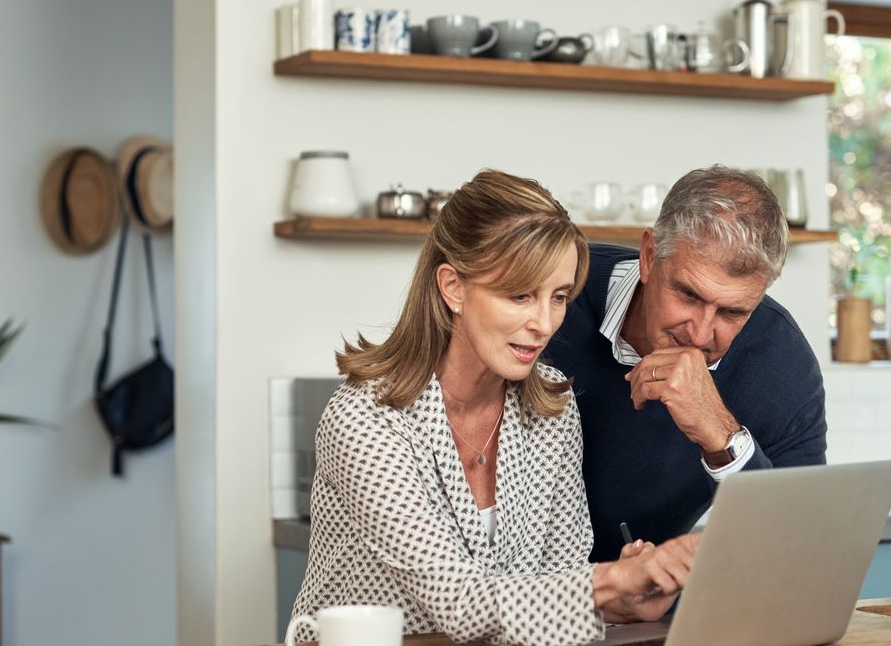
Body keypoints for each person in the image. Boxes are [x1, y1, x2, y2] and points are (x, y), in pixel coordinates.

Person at [291, 170, 702, 646]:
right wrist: (613, 581)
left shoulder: (552, 410)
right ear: (453, 287)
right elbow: (459, 603)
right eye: (520, 294)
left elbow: (556, 580)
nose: (545, 323)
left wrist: (619, 604)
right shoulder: (365, 420)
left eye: (559, 297)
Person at [545, 165, 828, 563]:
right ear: (648, 256)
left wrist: (721, 436)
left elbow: (799, 548)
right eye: (688, 295)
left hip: (645, 606)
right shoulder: (555, 295)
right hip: (514, 596)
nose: (699, 334)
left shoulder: (782, 364)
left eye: (732, 312)